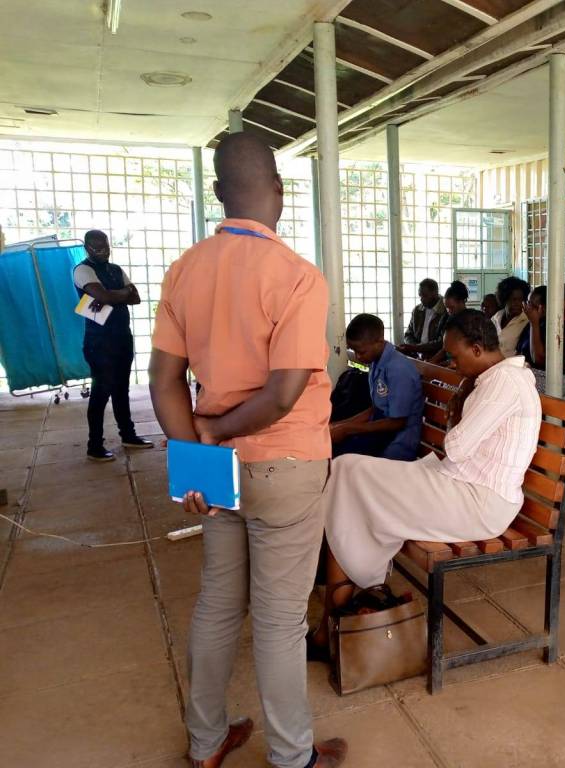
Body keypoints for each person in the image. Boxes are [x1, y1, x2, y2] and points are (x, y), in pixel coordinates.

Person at [148, 132, 346, 768]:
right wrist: (221, 432)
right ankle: (293, 757)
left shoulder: (185, 269)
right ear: (281, 194)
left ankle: (206, 744)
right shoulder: (296, 276)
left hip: (217, 467)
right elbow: (286, 392)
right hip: (286, 465)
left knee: (216, 602)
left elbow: (163, 378)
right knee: (280, 619)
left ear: (216, 194)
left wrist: (196, 452)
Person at [307, 310, 542, 656]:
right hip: (457, 484)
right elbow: (459, 451)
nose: (451, 362)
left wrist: (459, 403)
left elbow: (457, 447)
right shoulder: (495, 379)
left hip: (478, 502)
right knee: (346, 471)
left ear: (477, 349)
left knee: (352, 485)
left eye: (455, 354)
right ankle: (345, 608)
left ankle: (335, 625)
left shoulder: (505, 383)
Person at [73, 229, 153, 461]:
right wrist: (120, 294)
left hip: (121, 336)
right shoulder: (83, 270)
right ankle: (94, 445)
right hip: (98, 341)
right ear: (87, 248)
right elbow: (104, 297)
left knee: (121, 390)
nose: (103, 251)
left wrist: (112, 295)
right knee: (101, 392)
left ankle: (128, 435)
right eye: (97, 248)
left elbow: (135, 297)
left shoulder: (115, 269)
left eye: (106, 246)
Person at [330, 314, 423, 461]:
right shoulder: (376, 362)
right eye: (353, 350)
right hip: (380, 433)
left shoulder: (398, 369)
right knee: (332, 446)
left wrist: (347, 429)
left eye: (361, 351)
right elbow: (375, 409)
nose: (357, 357)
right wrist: (340, 425)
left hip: (397, 444)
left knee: (340, 457)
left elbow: (397, 422)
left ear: (379, 342)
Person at [421, 280, 469, 365]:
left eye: (451, 307)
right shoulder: (448, 318)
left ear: (461, 302)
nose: (449, 311)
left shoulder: (470, 320)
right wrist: (432, 362)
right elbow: (445, 348)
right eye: (447, 308)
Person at [399, 278, 446, 356]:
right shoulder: (417, 310)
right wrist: (413, 347)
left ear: (435, 293)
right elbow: (408, 334)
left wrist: (417, 348)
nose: (421, 299)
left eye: (424, 295)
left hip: (436, 356)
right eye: (420, 295)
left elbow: (441, 342)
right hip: (416, 353)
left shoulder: (445, 311)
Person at [492, 276, 531, 358]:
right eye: (513, 299)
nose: (517, 303)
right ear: (504, 299)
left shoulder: (527, 321)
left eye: (521, 300)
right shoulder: (496, 317)